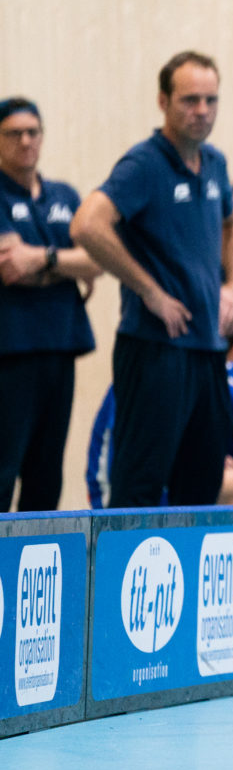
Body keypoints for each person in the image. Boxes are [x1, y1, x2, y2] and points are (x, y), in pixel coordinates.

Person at [71, 50, 233, 507]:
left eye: (211, 100)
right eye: (190, 100)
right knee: (141, 479)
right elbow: (88, 225)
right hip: (155, 346)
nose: (202, 111)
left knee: (202, 478)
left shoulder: (214, 163)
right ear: (163, 101)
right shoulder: (145, 164)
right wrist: (148, 289)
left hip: (207, 349)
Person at [0, 97, 101, 511]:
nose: (25, 141)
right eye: (13, 134)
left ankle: (33, 566)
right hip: (12, 350)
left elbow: (96, 261)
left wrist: (42, 259)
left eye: (33, 132)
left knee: (47, 473)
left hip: (61, 346)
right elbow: (9, 267)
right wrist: (67, 265)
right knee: (4, 467)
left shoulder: (64, 194)